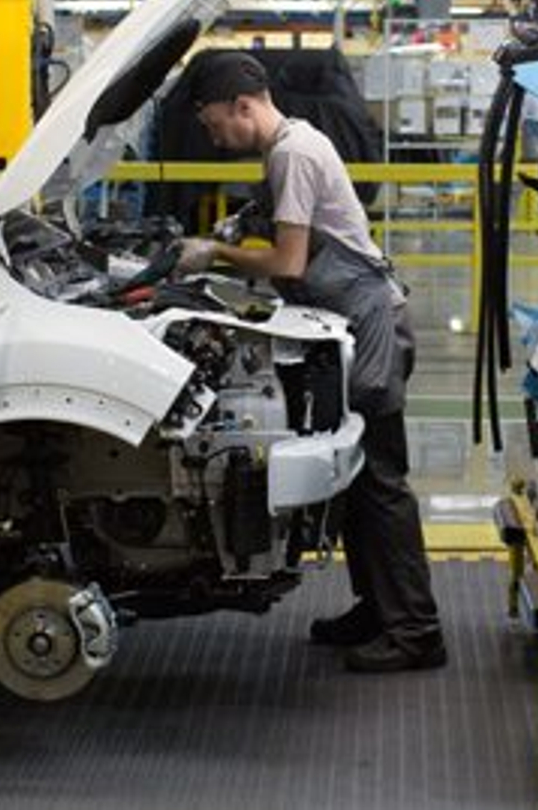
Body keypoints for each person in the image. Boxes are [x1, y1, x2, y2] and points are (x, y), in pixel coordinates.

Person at [175, 51, 445, 673]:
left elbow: (288, 262)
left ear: (243, 106)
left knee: (380, 483)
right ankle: (378, 610)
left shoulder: (293, 154)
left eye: (214, 124)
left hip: (371, 332)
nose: (214, 138)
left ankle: (417, 631)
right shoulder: (286, 148)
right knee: (354, 481)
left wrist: (213, 254)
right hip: (344, 330)